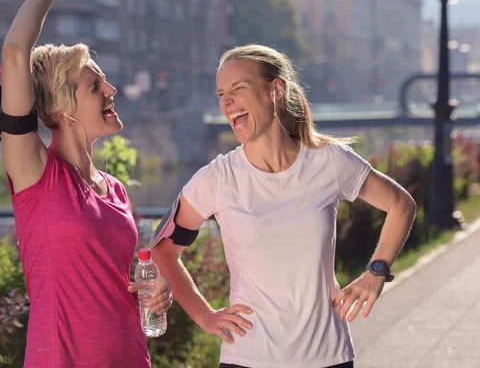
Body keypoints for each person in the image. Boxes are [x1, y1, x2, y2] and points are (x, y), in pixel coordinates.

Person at [151, 44, 417, 368]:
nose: (226, 102)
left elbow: (401, 204)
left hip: (327, 356)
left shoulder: (328, 161)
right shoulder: (217, 178)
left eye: (238, 89)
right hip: (247, 357)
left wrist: (376, 272)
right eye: (221, 94)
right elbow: (163, 249)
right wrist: (205, 316)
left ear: (275, 89)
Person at [0, 0, 172, 367]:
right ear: (60, 109)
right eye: (95, 86)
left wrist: (152, 292)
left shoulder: (115, 190)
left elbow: (109, 285)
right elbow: (16, 52)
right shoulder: (35, 174)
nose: (112, 90)